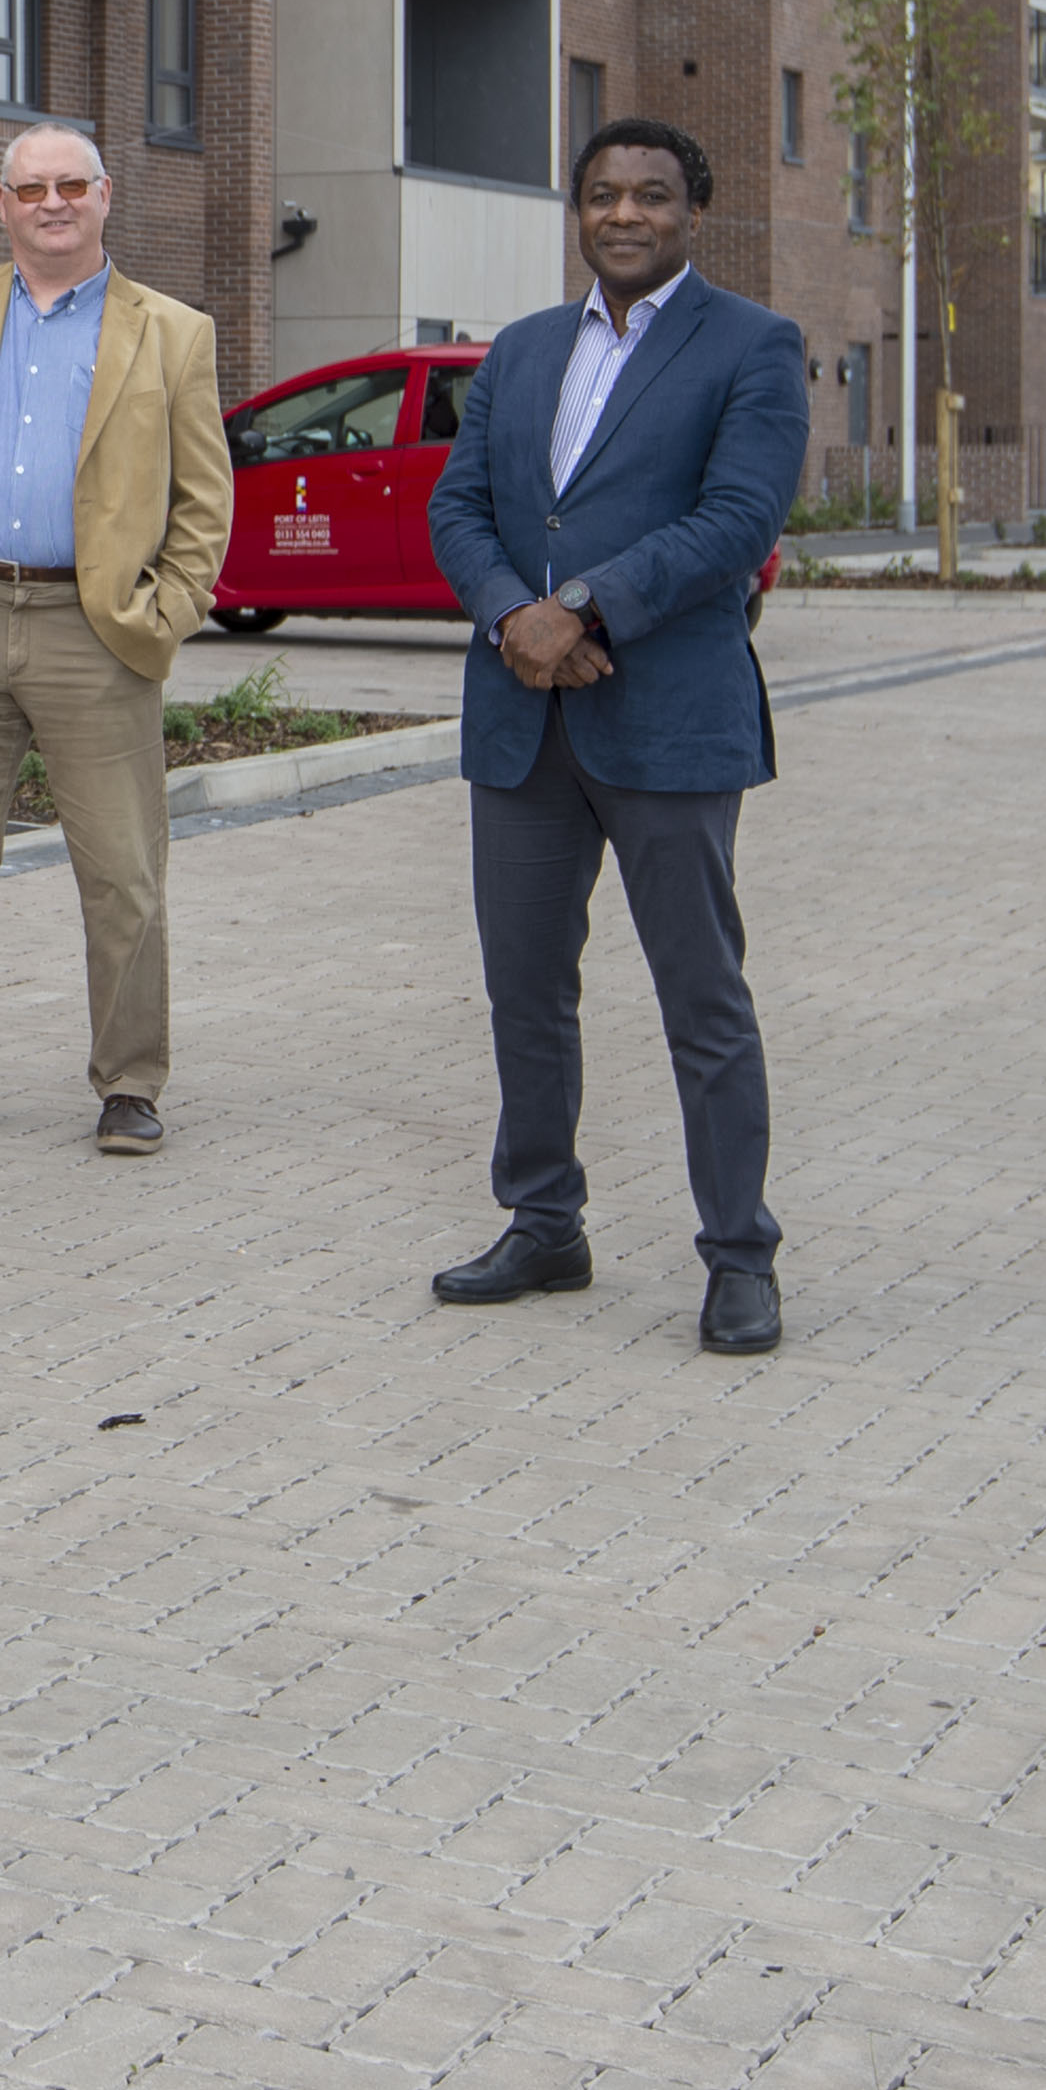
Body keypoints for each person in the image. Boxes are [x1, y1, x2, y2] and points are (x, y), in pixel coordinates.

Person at [420, 117, 807, 1355]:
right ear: (575, 210)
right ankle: (544, 1223)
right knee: (524, 993)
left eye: (649, 195)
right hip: (522, 725)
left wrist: (577, 609)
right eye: (601, 195)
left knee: (702, 1000)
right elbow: (460, 504)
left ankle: (738, 1256)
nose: (624, 214)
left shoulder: (753, 345)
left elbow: (735, 517)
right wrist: (510, 621)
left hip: (670, 725)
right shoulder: (525, 350)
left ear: (690, 209)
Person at [0, 124, 235, 1153]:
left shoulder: (172, 333)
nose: (52, 202)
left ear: (104, 197)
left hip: (94, 631)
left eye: (72, 185)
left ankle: (128, 1083)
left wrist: (162, 612)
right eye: (32, 189)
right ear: (2, 203)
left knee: (120, 874)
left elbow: (205, 501)